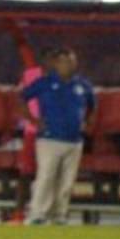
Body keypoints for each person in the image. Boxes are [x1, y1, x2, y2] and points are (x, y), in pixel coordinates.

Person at [20, 48, 95, 225]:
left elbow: (92, 106)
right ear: (55, 64)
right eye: (63, 61)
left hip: (74, 140)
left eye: (70, 61)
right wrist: (33, 120)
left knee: (67, 181)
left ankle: (59, 214)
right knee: (46, 176)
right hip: (49, 138)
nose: (67, 65)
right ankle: (37, 213)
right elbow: (22, 98)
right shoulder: (44, 82)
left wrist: (87, 122)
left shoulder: (83, 85)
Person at [12, 48, 56, 224]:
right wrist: (32, 119)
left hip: (53, 133)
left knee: (48, 174)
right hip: (32, 131)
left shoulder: (61, 79)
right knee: (25, 173)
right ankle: (19, 212)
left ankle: (45, 212)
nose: (52, 63)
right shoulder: (31, 75)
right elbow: (20, 98)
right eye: (50, 59)